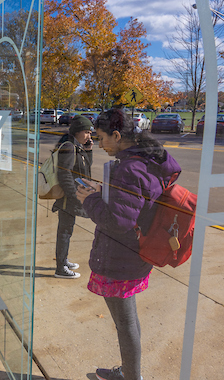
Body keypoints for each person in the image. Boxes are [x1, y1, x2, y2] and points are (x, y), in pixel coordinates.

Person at [76, 108, 182, 380]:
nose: (98, 144)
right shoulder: (145, 160)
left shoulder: (129, 168)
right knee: (129, 321)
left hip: (121, 257)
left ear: (116, 135)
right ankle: (130, 371)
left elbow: (117, 222)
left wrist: (89, 199)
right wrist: (105, 194)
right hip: (134, 253)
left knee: (125, 324)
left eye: (101, 138)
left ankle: (131, 377)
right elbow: (133, 206)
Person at [51, 115, 94, 279]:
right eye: (86, 132)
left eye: (90, 132)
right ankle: (60, 268)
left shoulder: (76, 145)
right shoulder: (69, 147)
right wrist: (73, 195)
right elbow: (64, 174)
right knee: (65, 231)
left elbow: (85, 169)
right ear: (77, 132)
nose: (89, 136)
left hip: (70, 196)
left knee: (66, 230)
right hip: (67, 197)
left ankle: (63, 261)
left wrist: (88, 151)